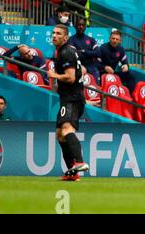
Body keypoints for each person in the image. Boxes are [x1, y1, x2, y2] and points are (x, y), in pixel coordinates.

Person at [46, 24, 89, 181]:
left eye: (58, 33)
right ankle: (73, 173)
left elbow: (70, 77)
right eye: (53, 33)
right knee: (60, 135)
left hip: (72, 99)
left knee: (66, 130)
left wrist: (54, 75)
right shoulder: (66, 52)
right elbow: (82, 70)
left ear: (65, 37)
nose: (54, 35)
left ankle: (80, 162)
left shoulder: (66, 52)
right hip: (69, 97)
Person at [68, 18, 101, 84]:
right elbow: (75, 55)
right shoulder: (71, 40)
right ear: (75, 26)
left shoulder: (91, 39)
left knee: (96, 82)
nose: (81, 27)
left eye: (83, 25)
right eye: (79, 25)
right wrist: (90, 54)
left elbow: (98, 53)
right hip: (77, 66)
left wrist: (84, 52)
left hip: (91, 66)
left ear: (85, 26)